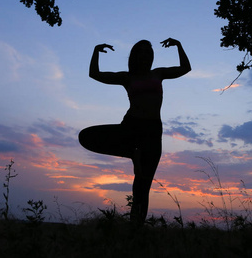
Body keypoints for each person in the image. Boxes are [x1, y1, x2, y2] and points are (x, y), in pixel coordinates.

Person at [78, 38, 191, 224]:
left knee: (143, 184)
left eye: (149, 52)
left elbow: (185, 68)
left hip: (153, 131)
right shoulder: (127, 77)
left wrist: (179, 45)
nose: (146, 55)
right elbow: (95, 74)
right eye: (142, 52)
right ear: (135, 56)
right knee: (86, 136)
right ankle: (132, 151)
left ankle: (136, 227)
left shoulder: (159, 73)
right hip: (131, 127)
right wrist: (96, 51)